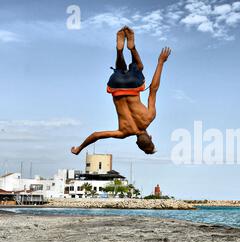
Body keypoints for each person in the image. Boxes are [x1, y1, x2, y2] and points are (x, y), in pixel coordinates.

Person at [71, 26, 171, 155]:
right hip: (116, 86)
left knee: (139, 67)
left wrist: (161, 62)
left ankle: (131, 48)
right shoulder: (122, 133)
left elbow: (153, 89)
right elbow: (96, 135)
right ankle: (119, 51)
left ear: (150, 137)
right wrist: (79, 148)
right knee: (120, 70)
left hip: (133, 86)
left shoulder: (149, 117)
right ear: (136, 143)